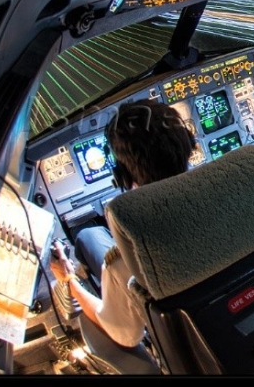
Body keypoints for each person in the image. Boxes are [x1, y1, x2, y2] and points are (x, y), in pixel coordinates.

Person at [50, 99, 196, 348]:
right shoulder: (233, 199)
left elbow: (122, 334)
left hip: (181, 339)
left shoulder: (125, 262)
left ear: (122, 176)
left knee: (87, 235)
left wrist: (70, 281)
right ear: (190, 147)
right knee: (92, 235)